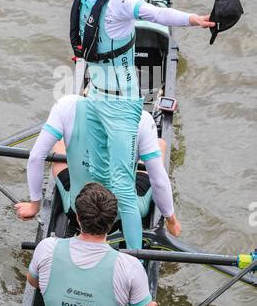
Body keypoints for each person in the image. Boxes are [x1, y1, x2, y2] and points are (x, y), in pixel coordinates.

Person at [11, 0, 213, 249]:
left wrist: (195, 19)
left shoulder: (121, 2)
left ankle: (132, 261)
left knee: (121, 184)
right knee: (77, 159)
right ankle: (76, 215)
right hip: (93, 98)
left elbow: (158, 14)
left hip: (122, 107)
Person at [15, 94, 181, 237]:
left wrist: (34, 206)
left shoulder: (67, 104)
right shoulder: (143, 118)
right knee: (159, 144)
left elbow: (36, 157)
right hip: (122, 216)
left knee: (59, 144)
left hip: (77, 211)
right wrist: (171, 220)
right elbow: (158, 180)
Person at [27, 182, 158, 306]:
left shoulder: (46, 248)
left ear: (78, 217)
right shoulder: (130, 266)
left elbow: (33, 282)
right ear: (112, 221)